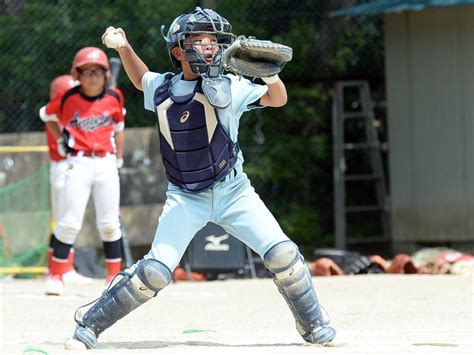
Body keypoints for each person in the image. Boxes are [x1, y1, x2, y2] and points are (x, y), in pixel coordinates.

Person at [65, 7, 336, 349]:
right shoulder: (164, 88)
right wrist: (123, 47)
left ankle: (314, 324)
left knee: (283, 255)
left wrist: (270, 75)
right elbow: (140, 79)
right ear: (179, 51)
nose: (209, 47)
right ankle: (89, 324)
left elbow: (277, 99)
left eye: (214, 41)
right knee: (154, 273)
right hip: (185, 197)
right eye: (200, 41)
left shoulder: (231, 85)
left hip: (234, 191)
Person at [42, 47, 126, 295]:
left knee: (110, 223)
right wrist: (61, 140)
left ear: (106, 75)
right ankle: (56, 276)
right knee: (69, 222)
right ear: (77, 74)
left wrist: (118, 158)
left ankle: (113, 276)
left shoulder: (114, 97)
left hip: (106, 162)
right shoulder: (68, 98)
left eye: (98, 72)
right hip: (78, 163)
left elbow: (119, 127)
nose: (92, 77)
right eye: (86, 72)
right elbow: (46, 115)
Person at [39, 75, 93, 285]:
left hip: (67, 168)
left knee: (66, 220)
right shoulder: (60, 112)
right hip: (65, 168)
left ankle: (59, 267)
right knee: (66, 221)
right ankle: (61, 268)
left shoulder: (61, 111)